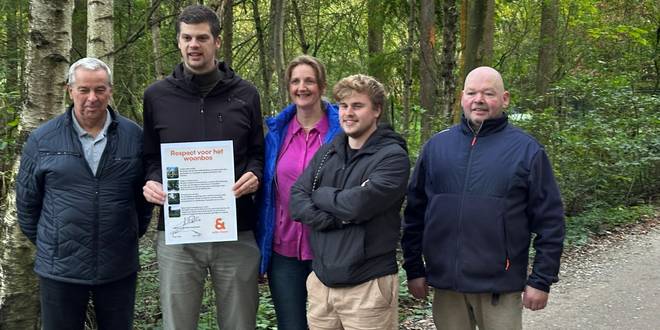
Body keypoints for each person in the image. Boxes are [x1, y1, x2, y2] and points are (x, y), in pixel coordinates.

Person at [401, 66, 565, 330]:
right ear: (462, 97)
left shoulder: (527, 150)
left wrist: (541, 280)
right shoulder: (436, 147)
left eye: (489, 93)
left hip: (499, 288)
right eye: (472, 92)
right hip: (447, 286)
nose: (479, 99)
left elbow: (551, 221)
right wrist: (414, 269)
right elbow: (415, 213)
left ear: (505, 99)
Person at [141, 5, 264, 330]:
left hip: (236, 229)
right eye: (187, 38)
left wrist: (255, 175)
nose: (194, 44)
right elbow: (151, 158)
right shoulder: (157, 96)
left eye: (201, 37)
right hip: (179, 233)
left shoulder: (246, 93)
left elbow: (258, 153)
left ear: (217, 42)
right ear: (179, 42)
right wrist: (152, 182)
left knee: (240, 324)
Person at [16, 57, 152, 330]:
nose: (92, 98)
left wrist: (122, 234)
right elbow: (27, 205)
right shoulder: (43, 139)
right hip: (59, 269)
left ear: (110, 91)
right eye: (84, 90)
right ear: (70, 90)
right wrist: (55, 240)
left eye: (100, 89)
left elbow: (143, 201)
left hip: (118, 266)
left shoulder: (133, 136)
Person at [289, 74, 410, 330]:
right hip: (322, 286)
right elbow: (297, 197)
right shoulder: (329, 151)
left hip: (367, 286)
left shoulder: (392, 157)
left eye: (358, 106)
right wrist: (332, 214)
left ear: (376, 110)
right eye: (344, 106)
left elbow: (357, 205)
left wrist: (320, 194)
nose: (348, 113)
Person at [255, 55, 341, 330]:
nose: (302, 87)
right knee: (290, 325)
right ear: (288, 86)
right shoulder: (275, 136)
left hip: (328, 247)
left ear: (322, 86)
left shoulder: (342, 133)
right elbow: (266, 197)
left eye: (309, 81)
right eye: (295, 81)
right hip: (284, 250)